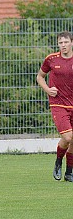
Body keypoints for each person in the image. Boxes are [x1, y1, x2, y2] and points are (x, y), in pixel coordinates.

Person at [36, 31, 73, 182]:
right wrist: (47, 89)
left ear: (72, 42)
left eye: (66, 42)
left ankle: (69, 171)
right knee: (68, 136)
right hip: (58, 104)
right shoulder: (51, 59)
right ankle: (58, 161)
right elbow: (40, 77)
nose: (63, 45)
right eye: (60, 43)